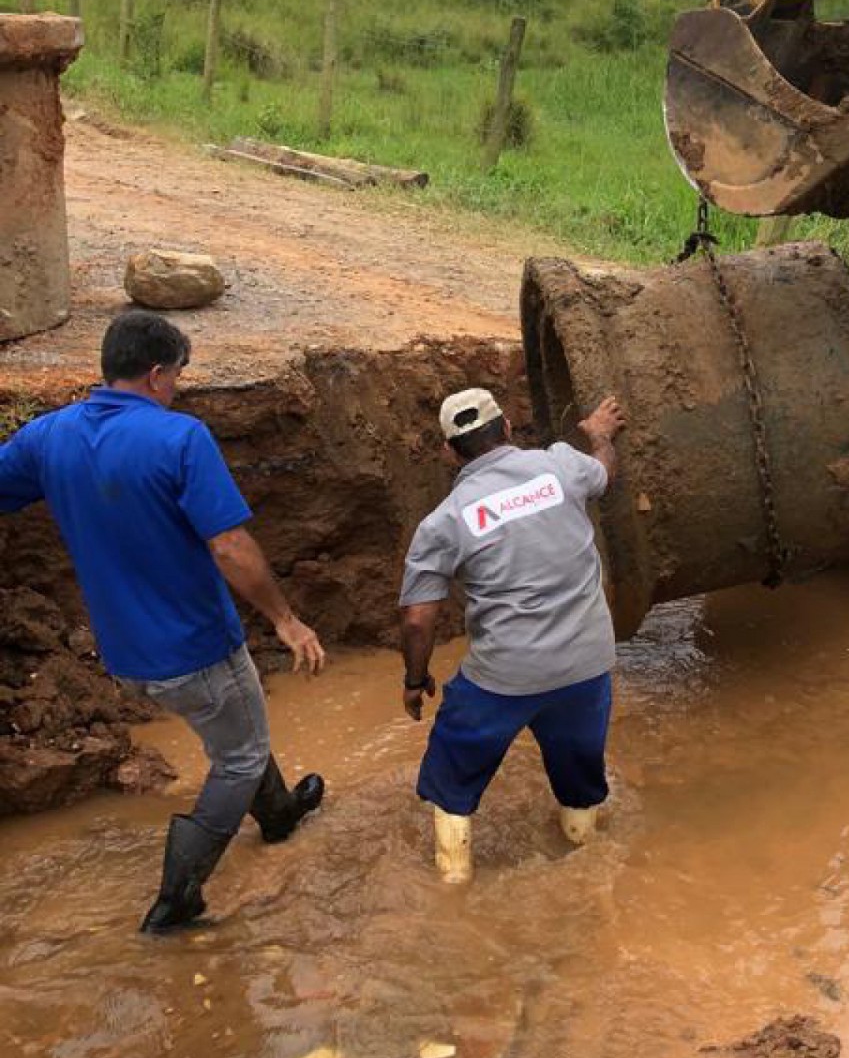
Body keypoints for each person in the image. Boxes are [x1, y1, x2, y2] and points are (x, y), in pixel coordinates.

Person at [0, 309, 326, 933]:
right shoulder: (180, 438)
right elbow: (229, 546)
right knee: (238, 753)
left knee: (240, 730)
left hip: (124, 656)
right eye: (177, 373)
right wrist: (285, 619)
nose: (177, 384)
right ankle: (178, 900)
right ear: (156, 374)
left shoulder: (49, 435)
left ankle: (280, 813)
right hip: (195, 648)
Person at [399, 385, 625, 882]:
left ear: (447, 452)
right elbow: (606, 471)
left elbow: (418, 619)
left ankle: (453, 888)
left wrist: (415, 680)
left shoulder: (444, 522)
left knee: (452, 780)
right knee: (580, 779)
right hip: (586, 664)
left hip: (505, 675)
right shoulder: (563, 466)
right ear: (505, 428)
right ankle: (588, 871)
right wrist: (600, 436)